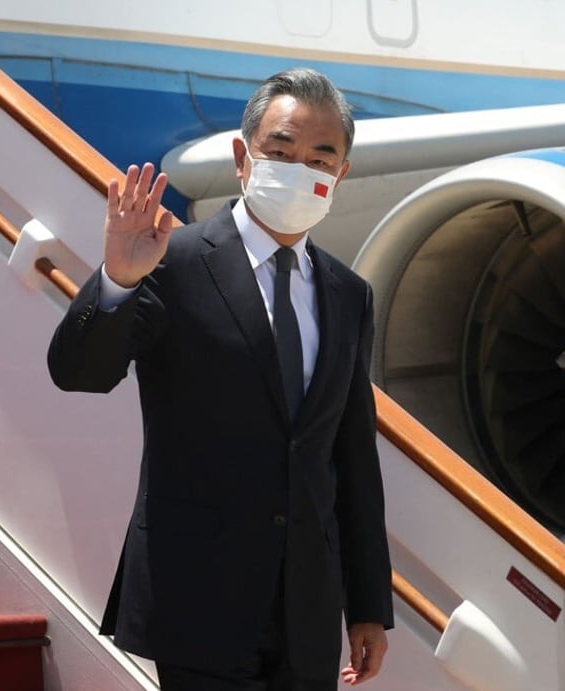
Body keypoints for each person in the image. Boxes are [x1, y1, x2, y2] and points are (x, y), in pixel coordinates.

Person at [48, 68, 393, 690]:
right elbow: (78, 373)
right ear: (242, 158)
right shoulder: (172, 263)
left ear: (339, 175)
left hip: (307, 610)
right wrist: (118, 279)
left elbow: (351, 458)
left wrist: (368, 604)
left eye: (320, 159)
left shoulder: (348, 294)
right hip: (197, 596)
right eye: (280, 151)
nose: (299, 169)